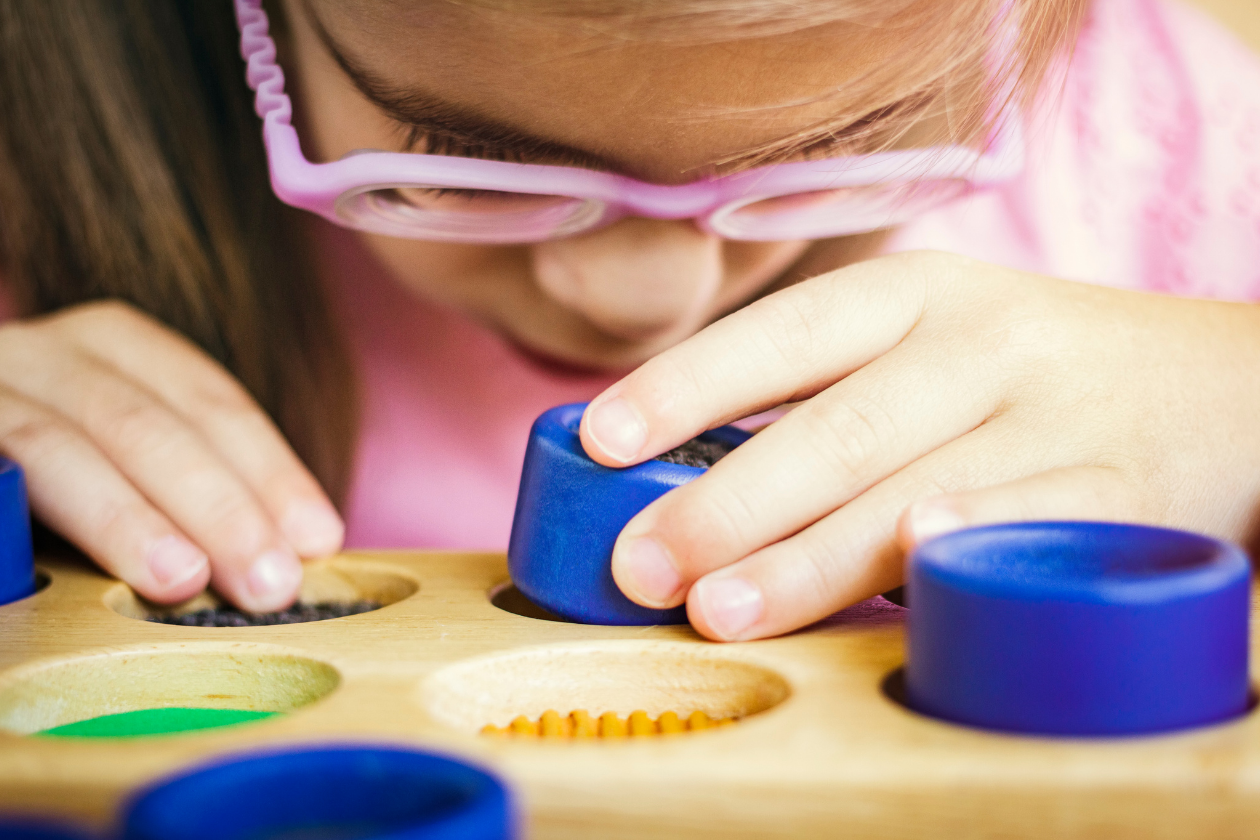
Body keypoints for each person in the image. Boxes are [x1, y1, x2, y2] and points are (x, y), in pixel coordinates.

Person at [0, 0, 1257, 641]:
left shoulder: (1162, 147)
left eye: (845, 147)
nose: (647, 298)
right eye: (460, 159)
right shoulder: (34, 173)